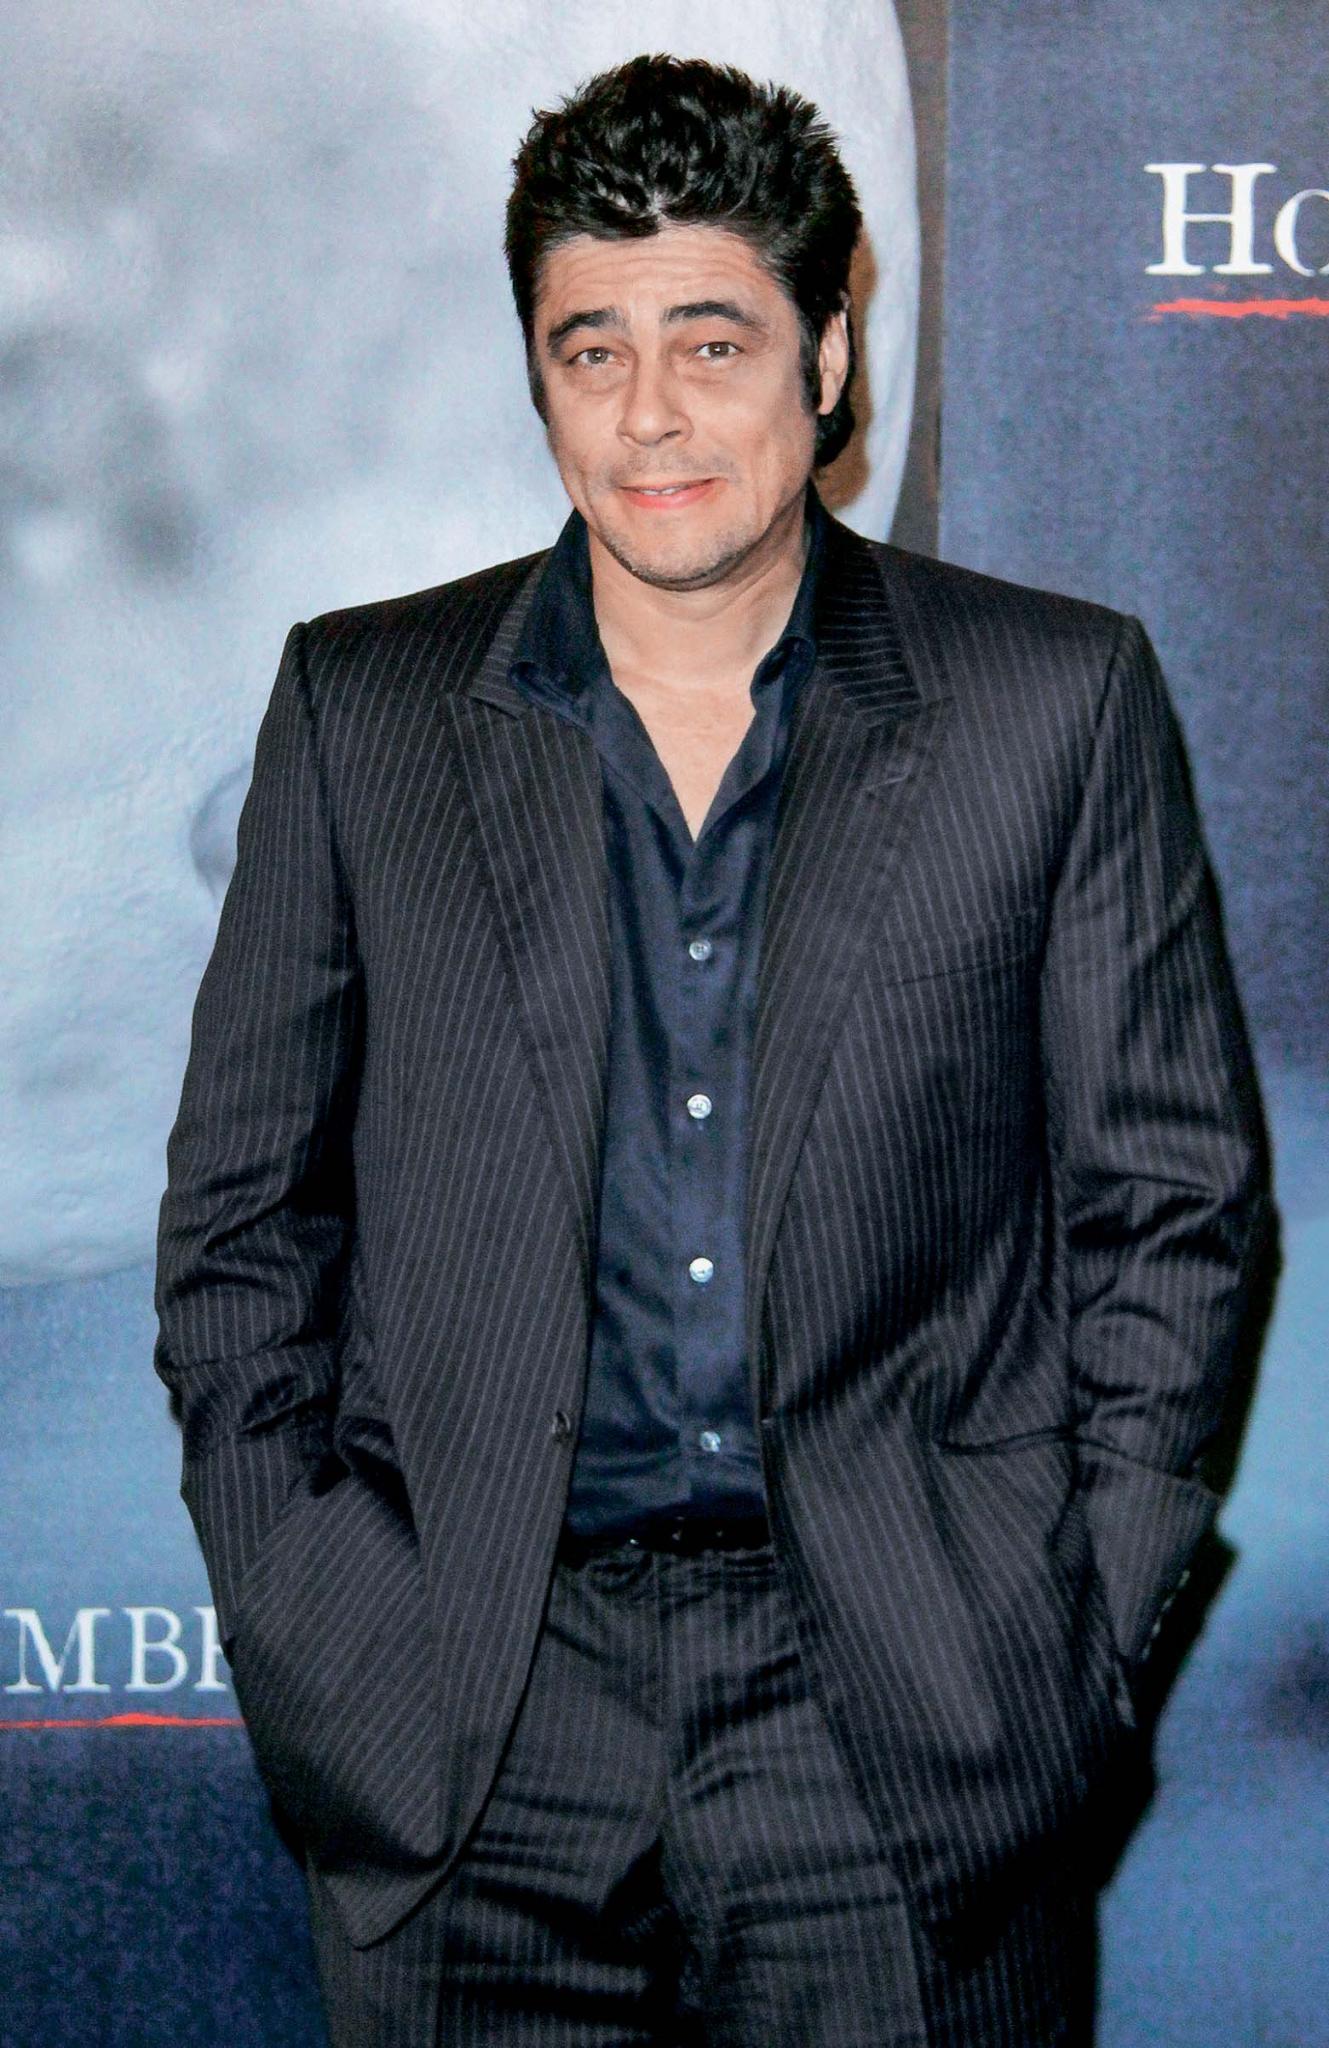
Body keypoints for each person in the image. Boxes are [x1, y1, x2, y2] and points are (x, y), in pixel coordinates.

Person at [155, 53, 1272, 2048]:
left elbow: (1170, 1204)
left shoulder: (1048, 700)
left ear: (825, 355)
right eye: (590, 349)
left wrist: (1068, 1631)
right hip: (470, 1722)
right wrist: (318, 1615)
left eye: (711, 340)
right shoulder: (364, 708)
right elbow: (244, 1222)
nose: (649, 411)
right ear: (538, 377)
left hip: (902, 1723)